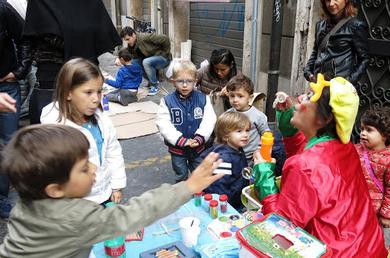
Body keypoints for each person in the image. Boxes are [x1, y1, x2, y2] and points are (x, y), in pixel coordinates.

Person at [0, 124, 224, 257]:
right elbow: (134, 213)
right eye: (84, 168)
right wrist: (188, 186)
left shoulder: (26, 204)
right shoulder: (73, 218)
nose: (95, 168)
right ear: (55, 189)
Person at [253, 75, 388, 257]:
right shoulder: (345, 147)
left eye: (308, 97)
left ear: (325, 119)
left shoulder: (305, 165)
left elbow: (281, 226)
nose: (299, 100)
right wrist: (288, 120)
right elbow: (307, 152)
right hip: (369, 248)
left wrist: (264, 176)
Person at [40, 58, 126, 205]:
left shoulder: (101, 119)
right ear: (68, 93)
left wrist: (117, 185)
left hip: (104, 193)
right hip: (75, 203)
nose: (96, 99)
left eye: (99, 92)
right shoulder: (55, 128)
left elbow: (113, 151)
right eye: (88, 92)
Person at [23, 0, 122, 124]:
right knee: (53, 127)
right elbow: (35, 34)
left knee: (88, 126)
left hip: (81, 73)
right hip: (55, 76)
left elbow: (101, 31)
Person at [156, 59, 216, 182]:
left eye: (189, 81)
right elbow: (163, 123)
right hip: (177, 150)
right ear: (173, 82)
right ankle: (182, 194)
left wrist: (200, 137)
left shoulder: (203, 99)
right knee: (181, 174)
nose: (184, 85)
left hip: (198, 147)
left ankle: (200, 196)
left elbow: (209, 120)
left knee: (200, 174)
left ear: (195, 81)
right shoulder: (167, 101)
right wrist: (180, 140)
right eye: (180, 81)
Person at [0, 0, 32, 219]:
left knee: (9, 142)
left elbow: (25, 37)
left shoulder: (2, 8)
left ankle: (2, 195)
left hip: (6, 85)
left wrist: (19, 70)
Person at [355, 107, 390, 228]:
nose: (363, 133)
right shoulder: (355, 150)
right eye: (362, 129)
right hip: (354, 205)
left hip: (375, 212)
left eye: (369, 130)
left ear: (384, 135)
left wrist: (387, 215)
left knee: (370, 239)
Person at [303, 0, 369, 85]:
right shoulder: (320, 25)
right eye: (327, 0)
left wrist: (348, 82)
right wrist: (308, 72)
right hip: (318, 85)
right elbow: (316, 51)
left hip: (339, 88)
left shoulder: (356, 26)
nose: (331, 4)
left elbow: (364, 59)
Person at [197, 111, 250, 210]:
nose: (245, 135)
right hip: (227, 204)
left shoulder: (237, 149)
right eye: (239, 131)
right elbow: (218, 188)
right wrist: (225, 207)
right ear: (225, 135)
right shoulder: (224, 159)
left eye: (247, 130)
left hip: (236, 197)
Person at [226, 74, 270, 165]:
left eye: (240, 96)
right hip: (232, 155)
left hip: (252, 157)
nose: (235, 100)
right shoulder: (228, 115)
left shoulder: (258, 116)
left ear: (250, 98)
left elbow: (266, 134)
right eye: (232, 96)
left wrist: (260, 150)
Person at [120, 26, 172, 96]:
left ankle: (154, 86)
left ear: (133, 35)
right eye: (125, 40)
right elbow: (129, 53)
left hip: (163, 58)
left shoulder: (145, 37)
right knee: (133, 63)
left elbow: (165, 39)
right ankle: (151, 82)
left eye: (128, 39)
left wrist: (165, 53)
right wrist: (119, 57)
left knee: (146, 62)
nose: (127, 42)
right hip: (151, 59)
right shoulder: (132, 44)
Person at [197, 49, 240, 113]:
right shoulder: (205, 71)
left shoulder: (238, 77)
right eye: (216, 69)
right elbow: (191, 80)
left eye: (223, 70)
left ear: (231, 65)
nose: (219, 73)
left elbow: (242, 102)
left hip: (226, 115)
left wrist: (232, 93)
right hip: (204, 110)